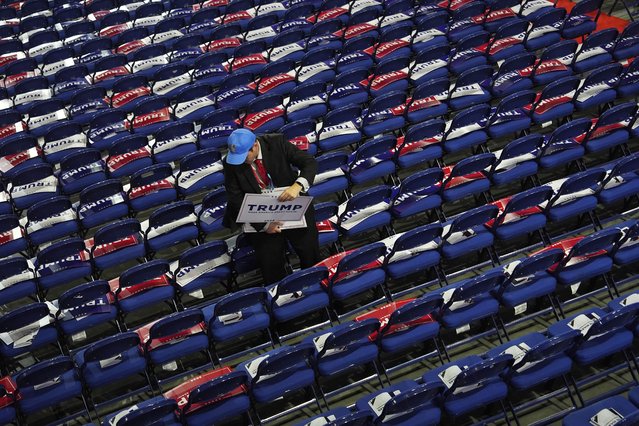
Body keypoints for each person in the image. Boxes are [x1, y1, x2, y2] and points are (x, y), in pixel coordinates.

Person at [222, 128, 321, 284]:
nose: (240, 160)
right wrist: (264, 225)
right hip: (259, 215)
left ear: (255, 145)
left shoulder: (277, 143)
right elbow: (235, 198)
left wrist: (298, 186)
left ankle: (317, 288)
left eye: (244, 155)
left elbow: (309, 162)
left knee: (310, 254)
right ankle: (280, 299)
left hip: (292, 206)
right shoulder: (231, 162)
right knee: (271, 265)